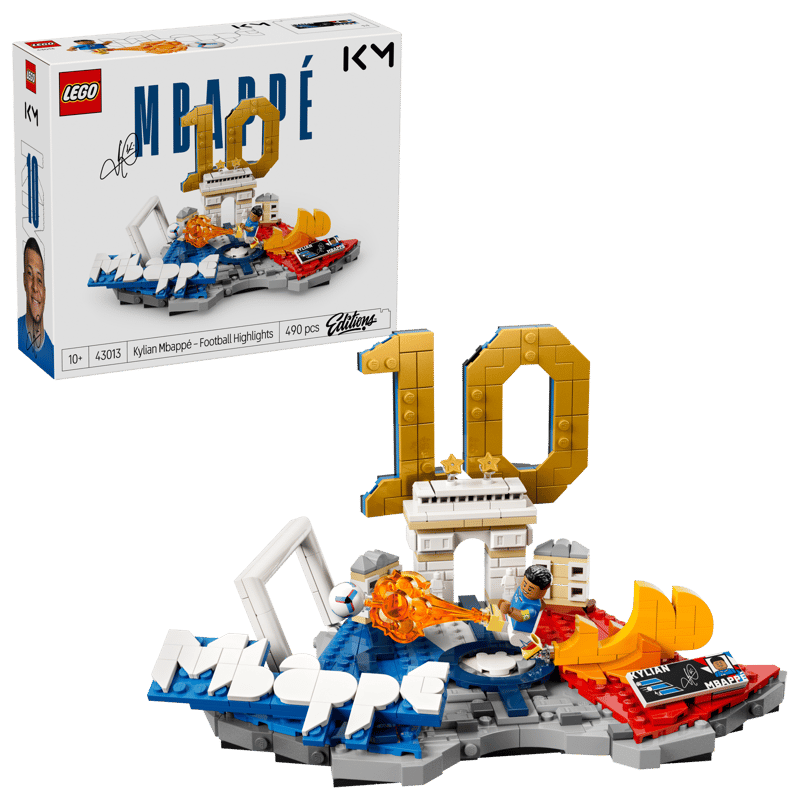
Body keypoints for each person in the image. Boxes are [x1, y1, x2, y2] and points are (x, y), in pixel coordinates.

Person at [18, 237, 53, 377]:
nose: (35, 287)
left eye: (39, 279)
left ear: (45, 291)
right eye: (29, 274)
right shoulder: (14, 334)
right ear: (23, 281)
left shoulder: (53, 354)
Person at [498, 564, 552, 657]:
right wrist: (502, 604)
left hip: (520, 631)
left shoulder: (532, 608)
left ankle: (535, 653)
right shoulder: (520, 591)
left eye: (530, 589)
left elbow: (521, 617)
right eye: (524, 583)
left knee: (515, 639)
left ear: (542, 592)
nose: (525, 588)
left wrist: (509, 611)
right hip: (511, 621)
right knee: (499, 626)